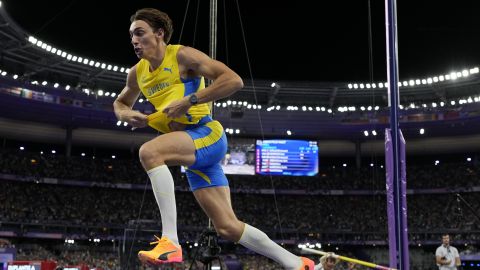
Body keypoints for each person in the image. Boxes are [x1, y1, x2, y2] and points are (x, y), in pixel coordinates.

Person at [113, 7, 314, 270]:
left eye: (140, 33)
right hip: (191, 151)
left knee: (150, 153)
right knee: (228, 227)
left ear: (159, 34)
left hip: (206, 134)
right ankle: (296, 263)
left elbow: (233, 80)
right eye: (131, 36)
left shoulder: (182, 56)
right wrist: (128, 115)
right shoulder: (136, 73)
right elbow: (120, 102)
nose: (134, 41)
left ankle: (170, 241)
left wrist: (190, 100)